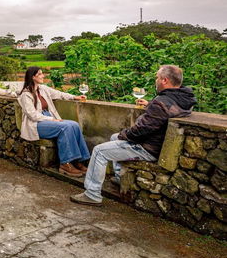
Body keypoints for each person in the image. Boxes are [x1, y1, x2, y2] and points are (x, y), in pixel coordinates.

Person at [70, 65, 197, 206]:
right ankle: (119, 177)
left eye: (157, 77)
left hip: (147, 148)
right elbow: (167, 112)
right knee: (113, 137)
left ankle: (92, 194)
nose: (156, 80)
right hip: (156, 143)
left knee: (99, 151)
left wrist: (125, 134)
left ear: (164, 80)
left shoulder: (161, 103)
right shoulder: (183, 98)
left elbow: (140, 131)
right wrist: (150, 105)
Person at [18, 66, 90, 177]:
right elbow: (32, 115)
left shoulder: (43, 89)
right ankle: (65, 164)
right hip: (36, 124)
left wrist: (74, 97)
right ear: (33, 77)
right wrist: (52, 119)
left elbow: (59, 94)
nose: (43, 76)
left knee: (74, 125)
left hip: (47, 119)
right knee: (64, 127)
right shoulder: (26, 94)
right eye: (40, 74)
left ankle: (78, 160)